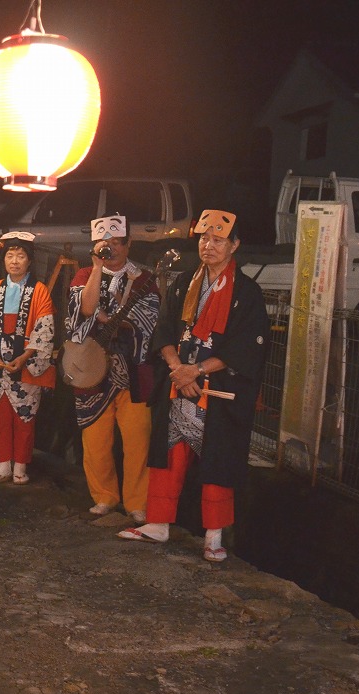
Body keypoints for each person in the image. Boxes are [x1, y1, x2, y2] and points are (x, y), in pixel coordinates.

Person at [119, 210, 269, 563]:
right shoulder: (185, 281)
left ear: (235, 245)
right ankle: (158, 523)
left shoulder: (247, 292)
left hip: (217, 391)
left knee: (218, 462)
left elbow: (245, 346)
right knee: (168, 456)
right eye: (204, 238)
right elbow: (164, 330)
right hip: (179, 385)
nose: (209, 246)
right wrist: (178, 370)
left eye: (218, 240)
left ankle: (214, 536)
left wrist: (196, 371)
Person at [66, 215, 160, 521]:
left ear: (129, 243)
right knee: (95, 439)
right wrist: (97, 267)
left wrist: (123, 317)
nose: (112, 249)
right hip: (92, 370)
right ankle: (104, 496)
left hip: (132, 371)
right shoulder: (84, 274)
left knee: (138, 440)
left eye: (118, 242)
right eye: (105, 244)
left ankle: (137, 502)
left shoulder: (144, 279)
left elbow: (151, 321)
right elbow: (85, 309)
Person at [0, 231, 56, 485]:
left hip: (26, 364)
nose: (15, 261)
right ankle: (2, 465)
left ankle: (20, 467)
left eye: (20, 256)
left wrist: (26, 356)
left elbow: (44, 328)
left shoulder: (39, 291)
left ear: (30, 260)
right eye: (10, 255)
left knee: (24, 417)